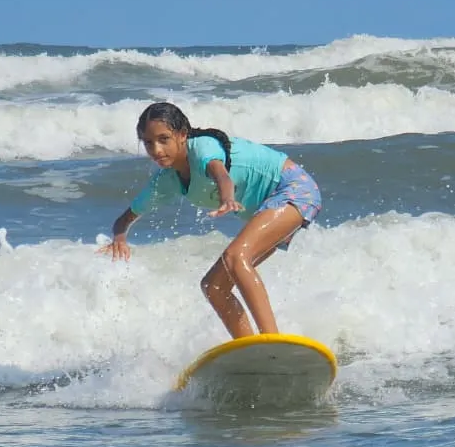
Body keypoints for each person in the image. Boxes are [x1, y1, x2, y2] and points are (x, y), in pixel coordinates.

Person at [100, 101, 322, 339]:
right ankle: (251, 348)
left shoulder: (203, 148)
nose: (156, 149)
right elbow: (125, 218)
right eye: (148, 143)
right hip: (269, 207)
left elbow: (221, 175)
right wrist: (120, 237)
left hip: (294, 188)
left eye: (164, 139)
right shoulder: (165, 181)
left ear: (183, 134)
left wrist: (228, 198)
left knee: (235, 257)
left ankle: (273, 341)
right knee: (213, 287)